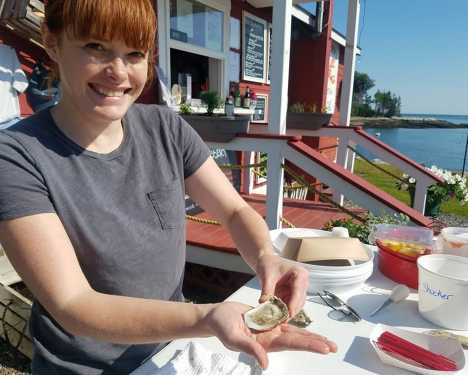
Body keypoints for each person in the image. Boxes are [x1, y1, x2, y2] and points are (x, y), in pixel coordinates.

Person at [0, 1, 337, 374]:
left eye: (134, 54)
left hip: (167, 353)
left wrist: (265, 257)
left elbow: (235, 210)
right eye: (95, 47)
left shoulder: (166, 129)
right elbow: (73, 304)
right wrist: (206, 317)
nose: (118, 72)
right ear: (52, 42)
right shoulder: (16, 157)